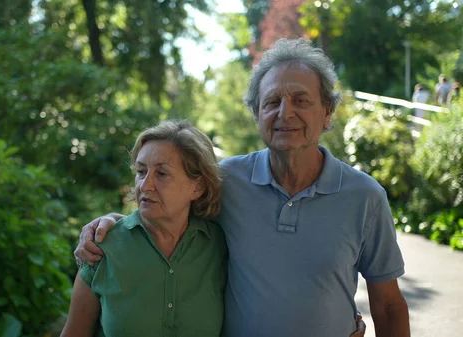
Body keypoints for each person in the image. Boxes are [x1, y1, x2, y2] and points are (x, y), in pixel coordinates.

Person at [76, 38, 400, 336]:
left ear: (327, 112)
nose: (285, 113)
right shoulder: (226, 180)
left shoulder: (365, 197)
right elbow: (168, 207)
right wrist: (113, 224)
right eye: (272, 101)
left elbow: (387, 305)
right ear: (256, 113)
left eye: (300, 100)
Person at [61, 120, 227, 337]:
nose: (145, 185)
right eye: (141, 171)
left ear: (198, 187)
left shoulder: (219, 246)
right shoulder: (102, 247)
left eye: (162, 174)